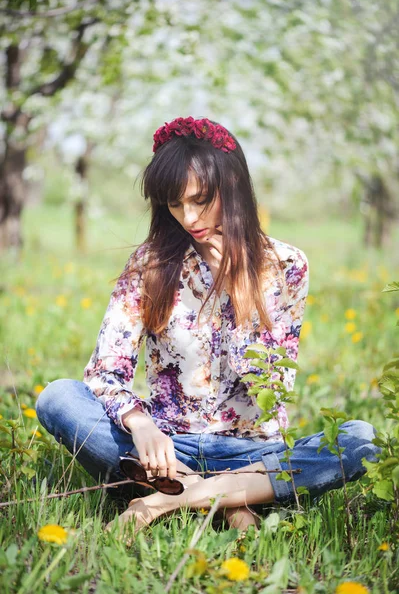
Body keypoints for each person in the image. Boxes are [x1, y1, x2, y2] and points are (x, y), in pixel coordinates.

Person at [36, 116, 380, 536]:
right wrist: (142, 425)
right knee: (58, 398)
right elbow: (106, 371)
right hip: (164, 448)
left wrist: (241, 294)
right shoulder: (152, 264)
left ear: (232, 187)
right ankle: (227, 498)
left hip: (254, 452)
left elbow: (272, 385)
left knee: (360, 439)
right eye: (175, 204)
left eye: (201, 200)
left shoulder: (286, 265)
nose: (189, 217)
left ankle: (179, 495)